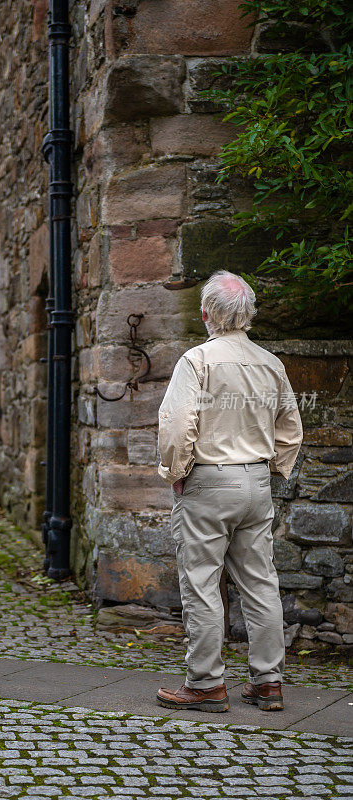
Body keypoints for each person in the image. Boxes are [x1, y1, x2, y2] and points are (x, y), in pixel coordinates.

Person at [156, 270, 303, 713]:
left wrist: (176, 471)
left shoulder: (197, 361)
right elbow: (290, 428)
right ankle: (268, 682)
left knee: (202, 584)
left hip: (208, 482)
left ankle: (204, 685)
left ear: (206, 314)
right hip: (256, 483)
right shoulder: (270, 363)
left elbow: (179, 424)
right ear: (249, 314)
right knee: (260, 584)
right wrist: (273, 469)